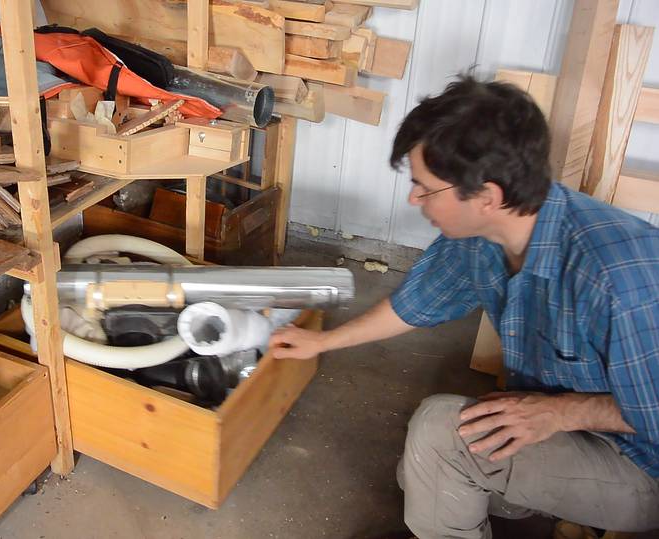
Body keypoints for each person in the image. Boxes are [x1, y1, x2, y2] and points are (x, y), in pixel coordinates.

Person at [268, 75, 659, 538]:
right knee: (421, 473)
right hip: (571, 429)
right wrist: (322, 341)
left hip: (641, 462)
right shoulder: (485, 233)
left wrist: (560, 413)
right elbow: (414, 304)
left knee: (440, 437)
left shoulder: (618, 277)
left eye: (426, 188)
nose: (413, 198)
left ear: (487, 197)